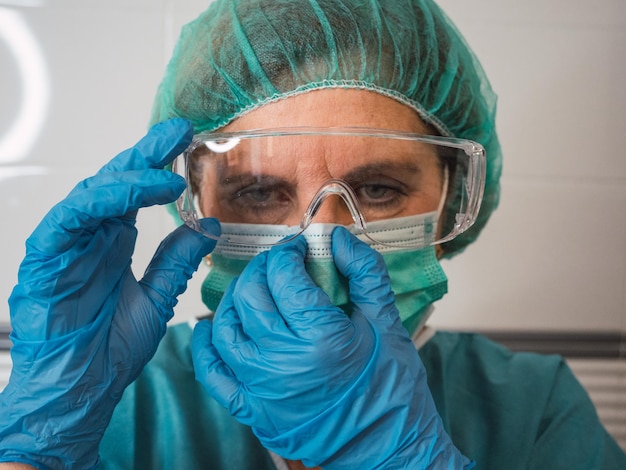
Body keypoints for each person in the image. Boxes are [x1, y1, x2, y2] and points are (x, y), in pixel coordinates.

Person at [0, 0, 624, 468]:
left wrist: (400, 457)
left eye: (378, 190)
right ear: (194, 205)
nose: (322, 243)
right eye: (260, 193)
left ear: (451, 204)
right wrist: (36, 445)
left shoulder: (534, 411)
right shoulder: (126, 405)